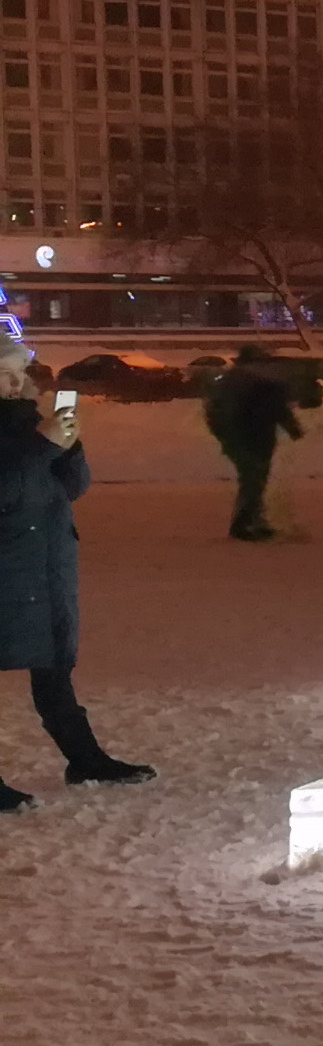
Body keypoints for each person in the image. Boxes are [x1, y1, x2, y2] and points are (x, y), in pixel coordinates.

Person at [0, 346, 153, 812]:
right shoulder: (28, 434)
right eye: (0, 375)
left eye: (14, 373)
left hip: (46, 565)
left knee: (54, 668)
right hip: (7, 567)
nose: (11, 384)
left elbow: (72, 488)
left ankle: (84, 758)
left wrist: (70, 447)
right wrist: (41, 446)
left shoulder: (27, 423)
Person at [204, 343, 305, 542]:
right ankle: (245, 523)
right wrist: (293, 428)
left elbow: (214, 410)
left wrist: (223, 434)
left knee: (252, 477)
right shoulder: (264, 381)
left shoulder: (231, 380)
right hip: (257, 435)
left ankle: (252, 520)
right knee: (254, 478)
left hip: (237, 436)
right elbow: (277, 408)